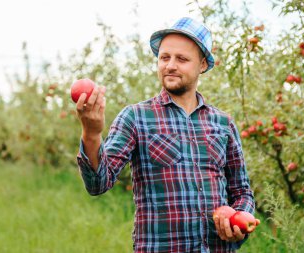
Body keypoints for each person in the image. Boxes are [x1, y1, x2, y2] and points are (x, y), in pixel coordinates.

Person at [76, 17, 256, 253]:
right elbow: (98, 184)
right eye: (164, 57)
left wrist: (240, 218)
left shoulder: (223, 123)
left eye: (181, 59)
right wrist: (91, 133)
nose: (170, 65)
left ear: (202, 64)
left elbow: (242, 191)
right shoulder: (136, 117)